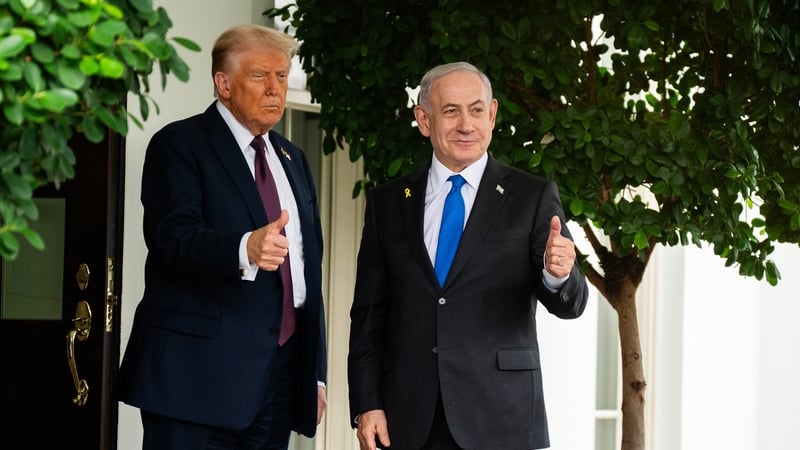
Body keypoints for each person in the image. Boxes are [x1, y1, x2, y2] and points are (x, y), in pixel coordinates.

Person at [347, 62, 589, 450]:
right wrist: (367, 403)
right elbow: (368, 314)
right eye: (450, 111)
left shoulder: (532, 196)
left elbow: (571, 303)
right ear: (423, 120)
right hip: (407, 419)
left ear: (492, 115)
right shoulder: (388, 202)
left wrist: (558, 273)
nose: (466, 124)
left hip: (500, 418)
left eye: (476, 110)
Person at [116, 24, 327, 450]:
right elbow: (171, 237)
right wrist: (243, 248)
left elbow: (307, 275)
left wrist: (314, 373)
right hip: (195, 382)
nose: (274, 89)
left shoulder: (293, 158)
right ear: (223, 83)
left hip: (279, 380)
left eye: (282, 77)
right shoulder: (178, 144)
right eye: (259, 76)